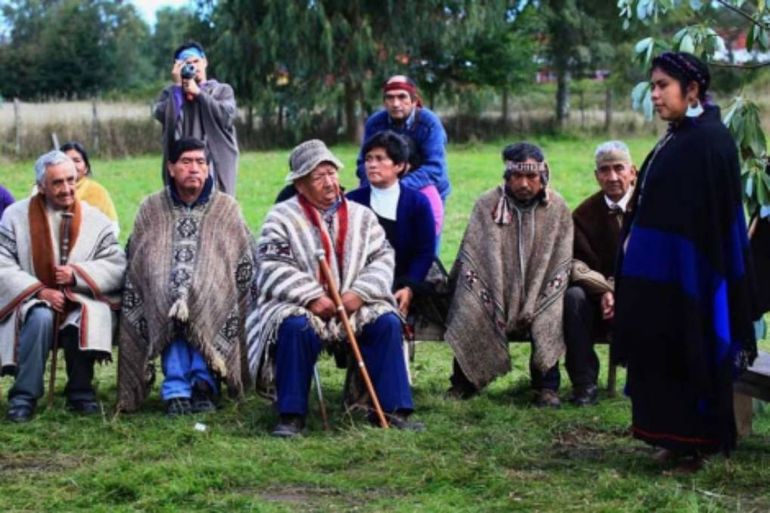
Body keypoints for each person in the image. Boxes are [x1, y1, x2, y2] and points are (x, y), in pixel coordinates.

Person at [613, 52, 757, 468]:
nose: (654, 95)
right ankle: (670, 438)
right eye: (653, 86)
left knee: (690, 351)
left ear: (691, 90)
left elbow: (708, 224)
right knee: (661, 352)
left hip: (692, 277)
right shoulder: (680, 135)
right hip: (662, 276)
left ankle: (696, 442)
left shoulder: (708, 142)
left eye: (663, 86)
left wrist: (689, 271)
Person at [247, 139, 421, 437]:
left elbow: (382, 259)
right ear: (300, 184)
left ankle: (393, 409)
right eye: (318, 176)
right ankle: (291, 415)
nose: (329, 182)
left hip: (355, 304)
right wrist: (312, 297)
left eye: (332, 173)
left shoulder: (362, 215)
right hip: (301, 306)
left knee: (387, 322)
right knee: (294, 327)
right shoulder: (281, 217)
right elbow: (272, 265)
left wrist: (358, 294)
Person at [117, 138, 256, 415]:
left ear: (208, 168)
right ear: (171, 168)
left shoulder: (226, 208)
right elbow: (140, 256)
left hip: (215, 292)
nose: (194, 168)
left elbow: (242, 258)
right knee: (170, 296)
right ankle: (176, 388)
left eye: (201, 162)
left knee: (201, 292)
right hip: (163, 294)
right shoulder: (151, 207)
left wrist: (202, 281)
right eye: (186, 162)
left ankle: (204, 383)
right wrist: (171, 283)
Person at [0, 151, 126, 422]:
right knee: (40, 316)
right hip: (30, 299)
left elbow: (116, 263)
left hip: (79, 296)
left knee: (84, 316)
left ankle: (80, 391)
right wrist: (39, 291)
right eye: (57, 182)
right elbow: (2, 263)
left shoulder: (96, 219)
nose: (67, 188)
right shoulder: (14, 216)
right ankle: (24, 396)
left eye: (71, 180)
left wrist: (77, 275)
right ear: (41, 186)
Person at [445, 142, 573, 407]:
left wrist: (537, 296)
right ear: (507, 176)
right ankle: (464, 381)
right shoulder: (487, 204)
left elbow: (561, 259)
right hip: (494, 288)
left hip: (542, 291)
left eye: (531, 176)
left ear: (543, 175)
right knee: (471, 304)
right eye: (517, 176)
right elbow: (474, 254)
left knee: (550, 313)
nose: (524, 183)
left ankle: (546, 386)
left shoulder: (557, 207)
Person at [563, 141, 637, 406]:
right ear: (597, 176)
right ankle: (584, 384)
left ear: (632, 172)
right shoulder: (584, 214)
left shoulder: (651, 207)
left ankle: (653, 381)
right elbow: (575, 265)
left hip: (642, 294)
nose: (612, 177)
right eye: (605, 170)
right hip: (599, 300)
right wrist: (605, 291)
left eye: (619, 168)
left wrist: (622, 292)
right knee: (574, 298)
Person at [347, 131, 436, 317]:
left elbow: (425, 252)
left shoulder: (417, 203)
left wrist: (409, 288)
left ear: (399, 165)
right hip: (358, 288)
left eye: (380, 159)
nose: (372, 164)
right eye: (369, 159)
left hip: (402, 285)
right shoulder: (352, 202)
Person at [356, 75, 449, 240]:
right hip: (381, 193)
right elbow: (363, 162)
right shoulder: (375, 123)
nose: (396, 103)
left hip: (424, 191)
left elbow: (435, 168)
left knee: (424, 245)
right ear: (384, 102)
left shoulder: (429, 124)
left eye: (402, 97)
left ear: (414, 100)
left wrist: (395, 188)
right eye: (390, 98)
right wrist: (371, 190)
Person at [153, 41, 239, 195]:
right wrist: (178, 89)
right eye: (187, 63)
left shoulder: (222, 91)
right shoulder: (170, 94)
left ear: (205, 62)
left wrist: (199, 93)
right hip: (182, 174)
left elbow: (226, 116)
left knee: (218, 207)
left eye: (196, 61)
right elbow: (161, 114)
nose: (193, 66)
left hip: (216, 171)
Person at [59, 141, 120, 236]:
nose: (72, 165)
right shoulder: (47, 191)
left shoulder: (98, 192)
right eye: (66, 161)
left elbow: (112, 227)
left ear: (86, 168)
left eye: (77, 161)